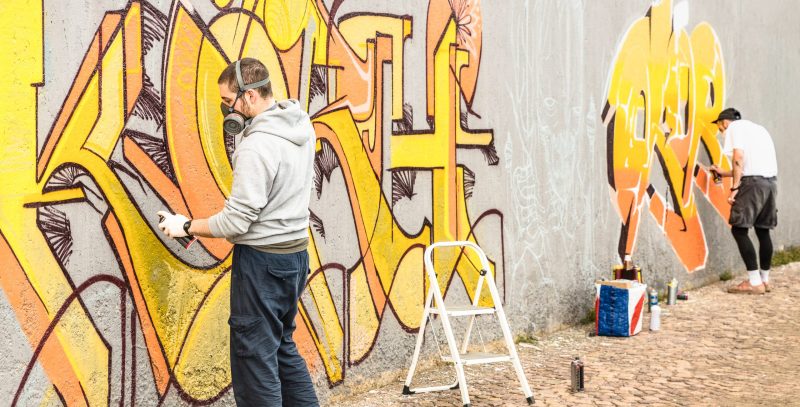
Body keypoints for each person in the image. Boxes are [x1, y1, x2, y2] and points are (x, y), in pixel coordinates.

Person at [157, 57, 319, 406]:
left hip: (262, 265)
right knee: (281, 348)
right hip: (294, 258)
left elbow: (235, 222)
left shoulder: (257, 145)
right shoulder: (301, 126)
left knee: (255, 361)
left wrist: (186, 225)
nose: (225, 111)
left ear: (249, 97)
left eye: (228, 102)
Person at [710, 108, 778, 295]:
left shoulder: (734, 128)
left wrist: (734, 187)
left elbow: (738, 158)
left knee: (739, 229)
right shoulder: (759, 130)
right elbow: (751, 163)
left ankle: (754, 281)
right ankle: (764, 280)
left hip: (752, 184)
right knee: (763, 230)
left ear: (724, 122)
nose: (721, 131)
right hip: (770, 183)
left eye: (719, 127)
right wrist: (725, 173)